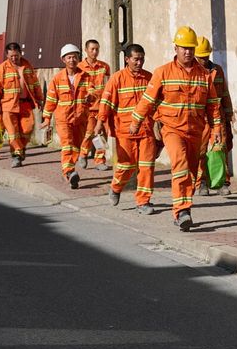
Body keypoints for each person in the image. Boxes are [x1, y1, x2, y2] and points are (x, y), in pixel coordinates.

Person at [129, 26, 222, 231]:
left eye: (191, 48)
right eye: (183, 48)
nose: (187, 52)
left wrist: (216, 130)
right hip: (172, 129)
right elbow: (147, 99)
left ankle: (183, 208)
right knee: (179, 165)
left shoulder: (205, 75)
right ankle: (182, 210)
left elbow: (213, 105)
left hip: (196, 130)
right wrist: (136, 121)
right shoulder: (163, 72)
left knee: (189, 171)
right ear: (176, 47)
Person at [97, 44, 157, 213]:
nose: (140, 62)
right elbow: (106, 102)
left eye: (142, 59)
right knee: (126, 166)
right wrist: (100, 122)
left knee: (146, 166)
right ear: (127, 59)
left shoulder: (149, 78)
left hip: (146, 130)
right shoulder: (117, 79)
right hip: (125, 131)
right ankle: (116, 188)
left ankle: (143, 202)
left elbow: (156, 102)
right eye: (136, 59)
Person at [42, 44, 92, 189]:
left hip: (81, 118)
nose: (72, 60)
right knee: (67, 145)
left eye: (75, 57)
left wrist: (91, 95)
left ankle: (69, 171)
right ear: (63, 59)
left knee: (76, 146)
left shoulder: (86, 76)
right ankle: (69, 172)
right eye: (69, 57)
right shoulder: (57, 79)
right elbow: (51, 99)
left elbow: (93, 90)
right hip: (63, 119)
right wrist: (46, 118)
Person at [0, 42, 43, 167]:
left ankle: (21, 148)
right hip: (8, 105)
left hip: (25, 104)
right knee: (13, 132)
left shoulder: (27, 65)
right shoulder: (2, 68)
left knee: (27, 129)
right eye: (11, 56)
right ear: (7, 56)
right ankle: (17, 155)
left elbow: (35, 84)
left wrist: (39, 99)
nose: (14, 58)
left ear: (20, 53)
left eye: (16, 55)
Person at [194, 36, 234, 196]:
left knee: (221, 149)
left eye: (205, 56)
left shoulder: (217, 70)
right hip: (200, 118)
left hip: (218, 116)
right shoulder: (193, 73)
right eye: (200, 57)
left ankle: (223, 182)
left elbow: (224, 92)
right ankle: (201, 183)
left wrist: (229, 114)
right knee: (201, 151)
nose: (203, 60)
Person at [78, 39, 111, 171]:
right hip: (88, 107)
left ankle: (99, 160)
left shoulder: (104, 67)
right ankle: (83, 154)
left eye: (97, 49)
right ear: (86, 50)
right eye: (92, 49)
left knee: (102, 134)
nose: (95, 52)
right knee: (90, 133)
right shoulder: (79, 67)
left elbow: (108, 86)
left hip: (102, 105)